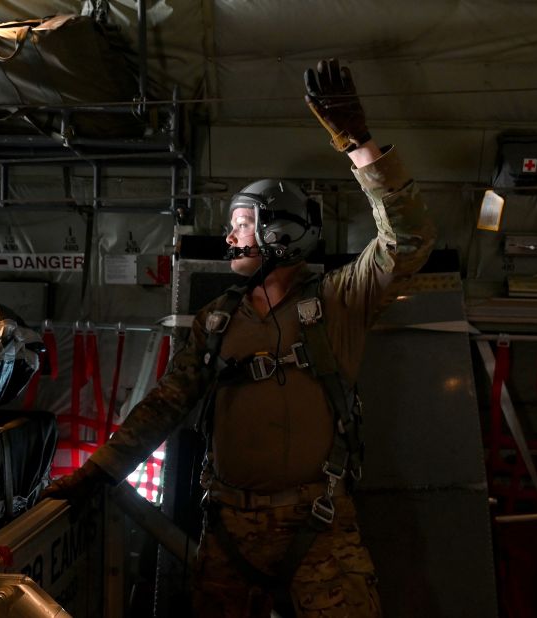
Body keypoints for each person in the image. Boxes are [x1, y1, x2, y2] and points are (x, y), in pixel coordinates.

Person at [42, 58, 436, 617]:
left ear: (279, 230)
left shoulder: (338, 301)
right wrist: (96, 473)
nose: (228, 235)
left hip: (319, 526)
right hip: (228, 528)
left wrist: (359, 143)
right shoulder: (216, 322)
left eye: (241, 222)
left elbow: (411, 239)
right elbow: (165, 406)